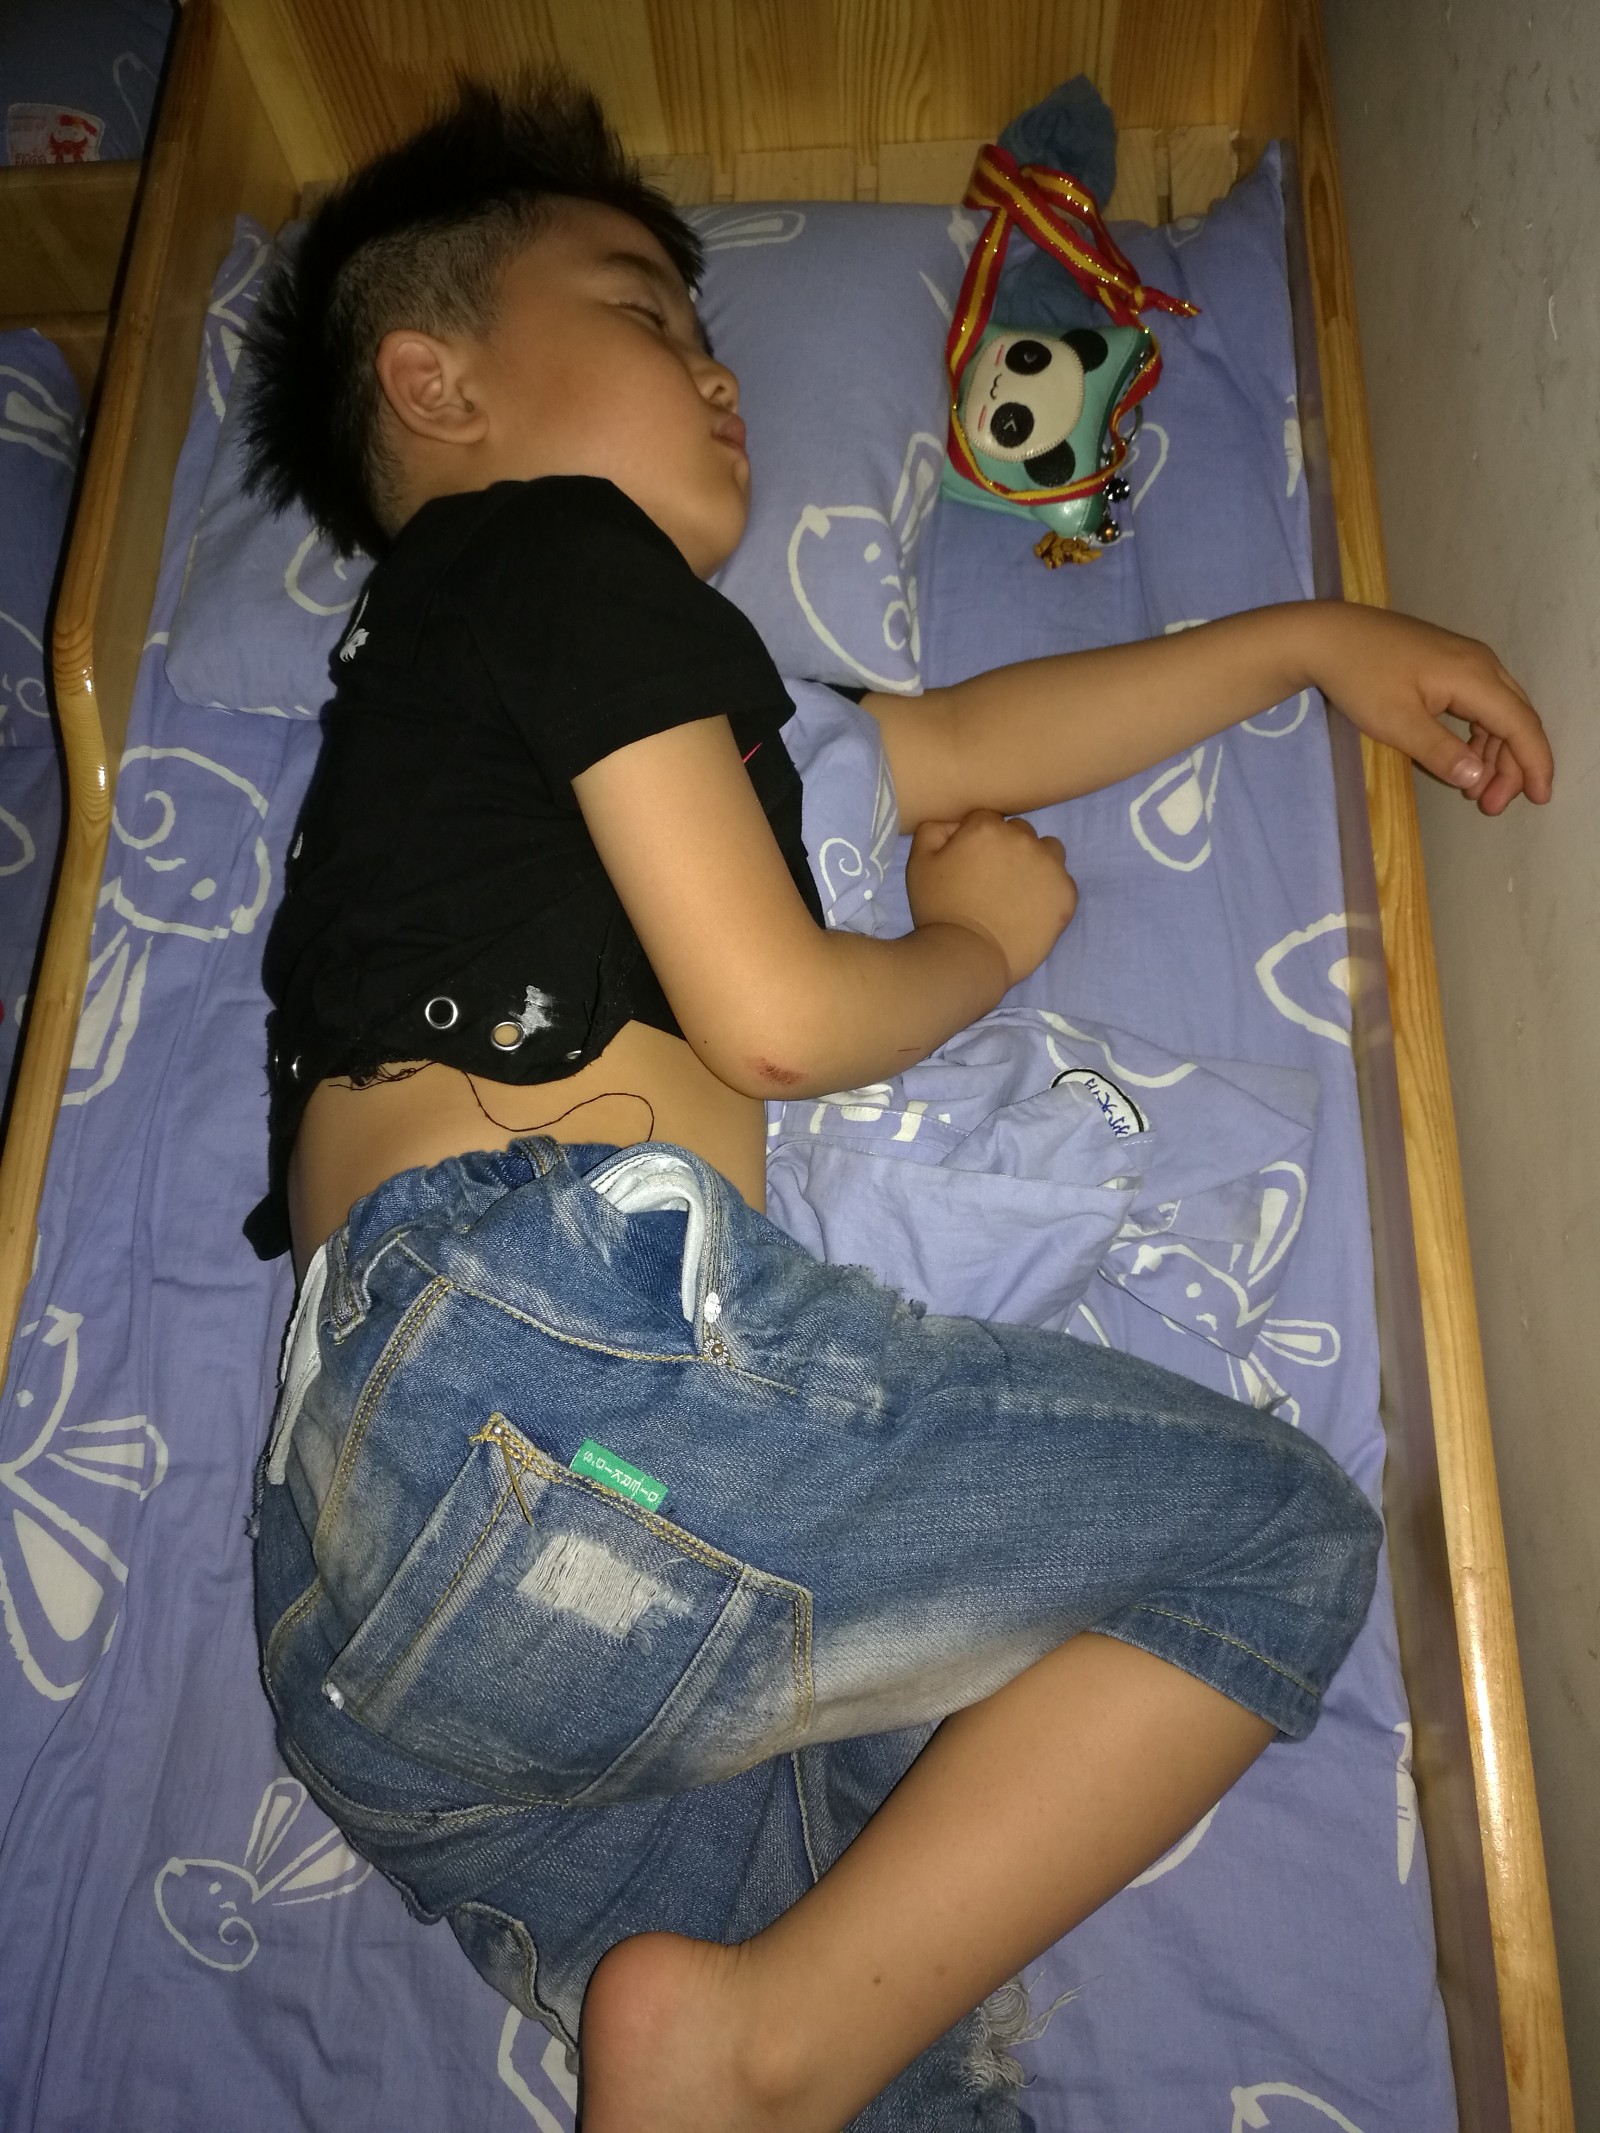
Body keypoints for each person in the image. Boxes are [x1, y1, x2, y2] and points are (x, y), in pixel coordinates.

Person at [242, 78, 1552, 2133]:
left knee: (890, 2052)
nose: (719, 370)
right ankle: (749, 2045)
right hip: (559, 1383)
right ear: (438, 382)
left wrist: (1310, 640)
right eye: (645, 312)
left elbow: (953, 737)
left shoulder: (541, 710)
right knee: (1269, 1546)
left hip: (403, 1641)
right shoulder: (551, 548)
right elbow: (773, 1018)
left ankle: (764, 2049)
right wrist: (975, 950)